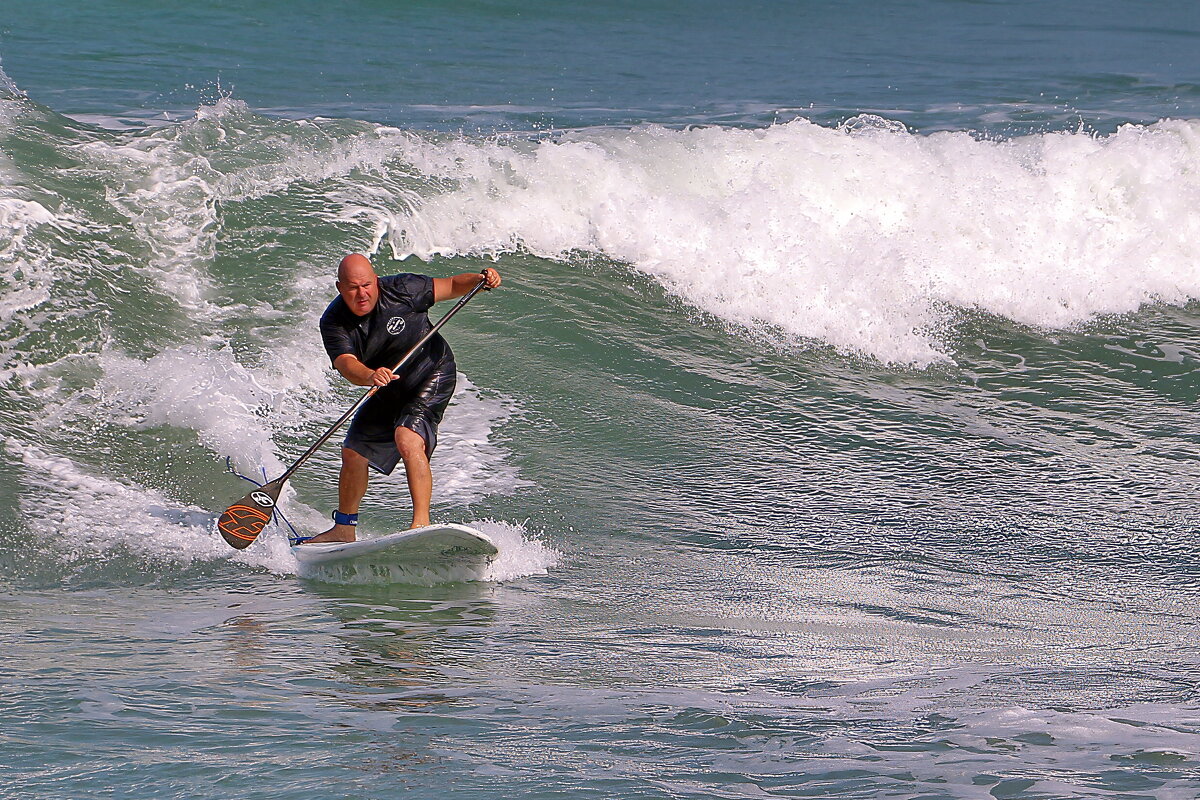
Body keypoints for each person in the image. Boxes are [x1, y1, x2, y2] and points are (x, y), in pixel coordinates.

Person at [303, 253, 501, 543]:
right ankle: (344, 529)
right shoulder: (334, 321)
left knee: (407, 437)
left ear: (375, 280)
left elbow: (452, 286)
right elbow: (346, 364)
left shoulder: (403, 289)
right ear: (339, 287)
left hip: (431, 372)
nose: (362, 294)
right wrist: (369, 375)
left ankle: (420, 525)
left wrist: (481, 279)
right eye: (353, 288)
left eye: (367, 285)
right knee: (353, 452)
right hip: (387, 385)